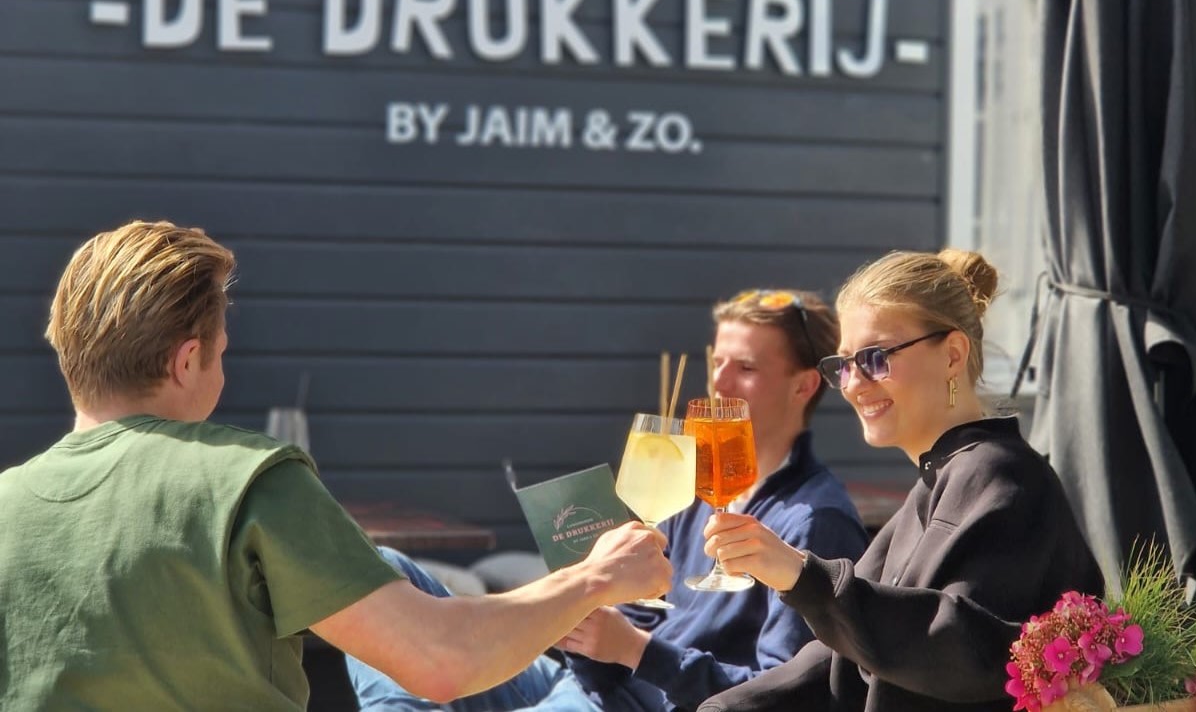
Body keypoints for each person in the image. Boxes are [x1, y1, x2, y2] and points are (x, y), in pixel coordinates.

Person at [0, 220, 671, 711]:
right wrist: (595, 577)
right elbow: (440, 660)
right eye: (221, 353)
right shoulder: (247, 481)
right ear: (186, 360)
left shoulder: (9, 503)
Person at [348, 287, 870, 711]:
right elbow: (636, 628)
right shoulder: (693, 486)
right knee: (378, 571)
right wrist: (585, 617)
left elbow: (787, 696)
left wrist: (637, 651)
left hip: (636, 703)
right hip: (586, 685)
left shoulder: (813, 522)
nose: (718, 381)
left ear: (803, 387)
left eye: (746, 368)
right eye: (717, 361)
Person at [695, 250, 1105, 712]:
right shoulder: (942, 482)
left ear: (952, 355)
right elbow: (842, 660)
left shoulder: (1005, 480)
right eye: (843, 365)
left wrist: (800, 574)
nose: (853, 384)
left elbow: (959, 651)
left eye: (875, 358)